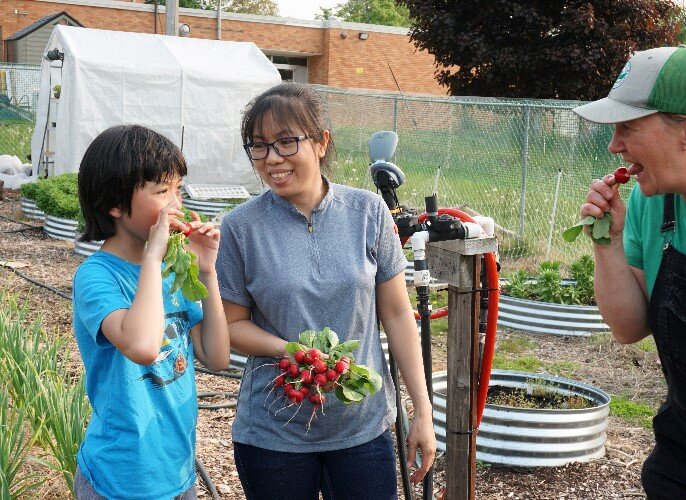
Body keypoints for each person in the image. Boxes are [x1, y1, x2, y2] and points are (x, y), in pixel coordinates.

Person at [216, 82, 436, 499]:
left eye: (286, 142)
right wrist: (292, 352)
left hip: (361, 427)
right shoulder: (241, 227)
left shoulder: (367, 213)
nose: (272, 159)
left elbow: (397, 316)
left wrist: (421, 411)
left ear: (321, 142)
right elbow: (231, 325)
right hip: (273, 431)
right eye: (258, 147)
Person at [573, 46, 686, 498]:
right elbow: (629, 327)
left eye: (628, 127)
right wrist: (607, 243)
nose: (614, 145)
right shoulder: (654, 201)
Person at [73, 124, 230, 499]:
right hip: (121, 478)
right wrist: (154, 256)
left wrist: (207, 270)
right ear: (115, 205)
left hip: (177, 470)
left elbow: (217, 356)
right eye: (162, 191)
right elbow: (142, 347)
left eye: (177, 188)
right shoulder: (96, 277)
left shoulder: (172, 269)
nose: (176, 203)